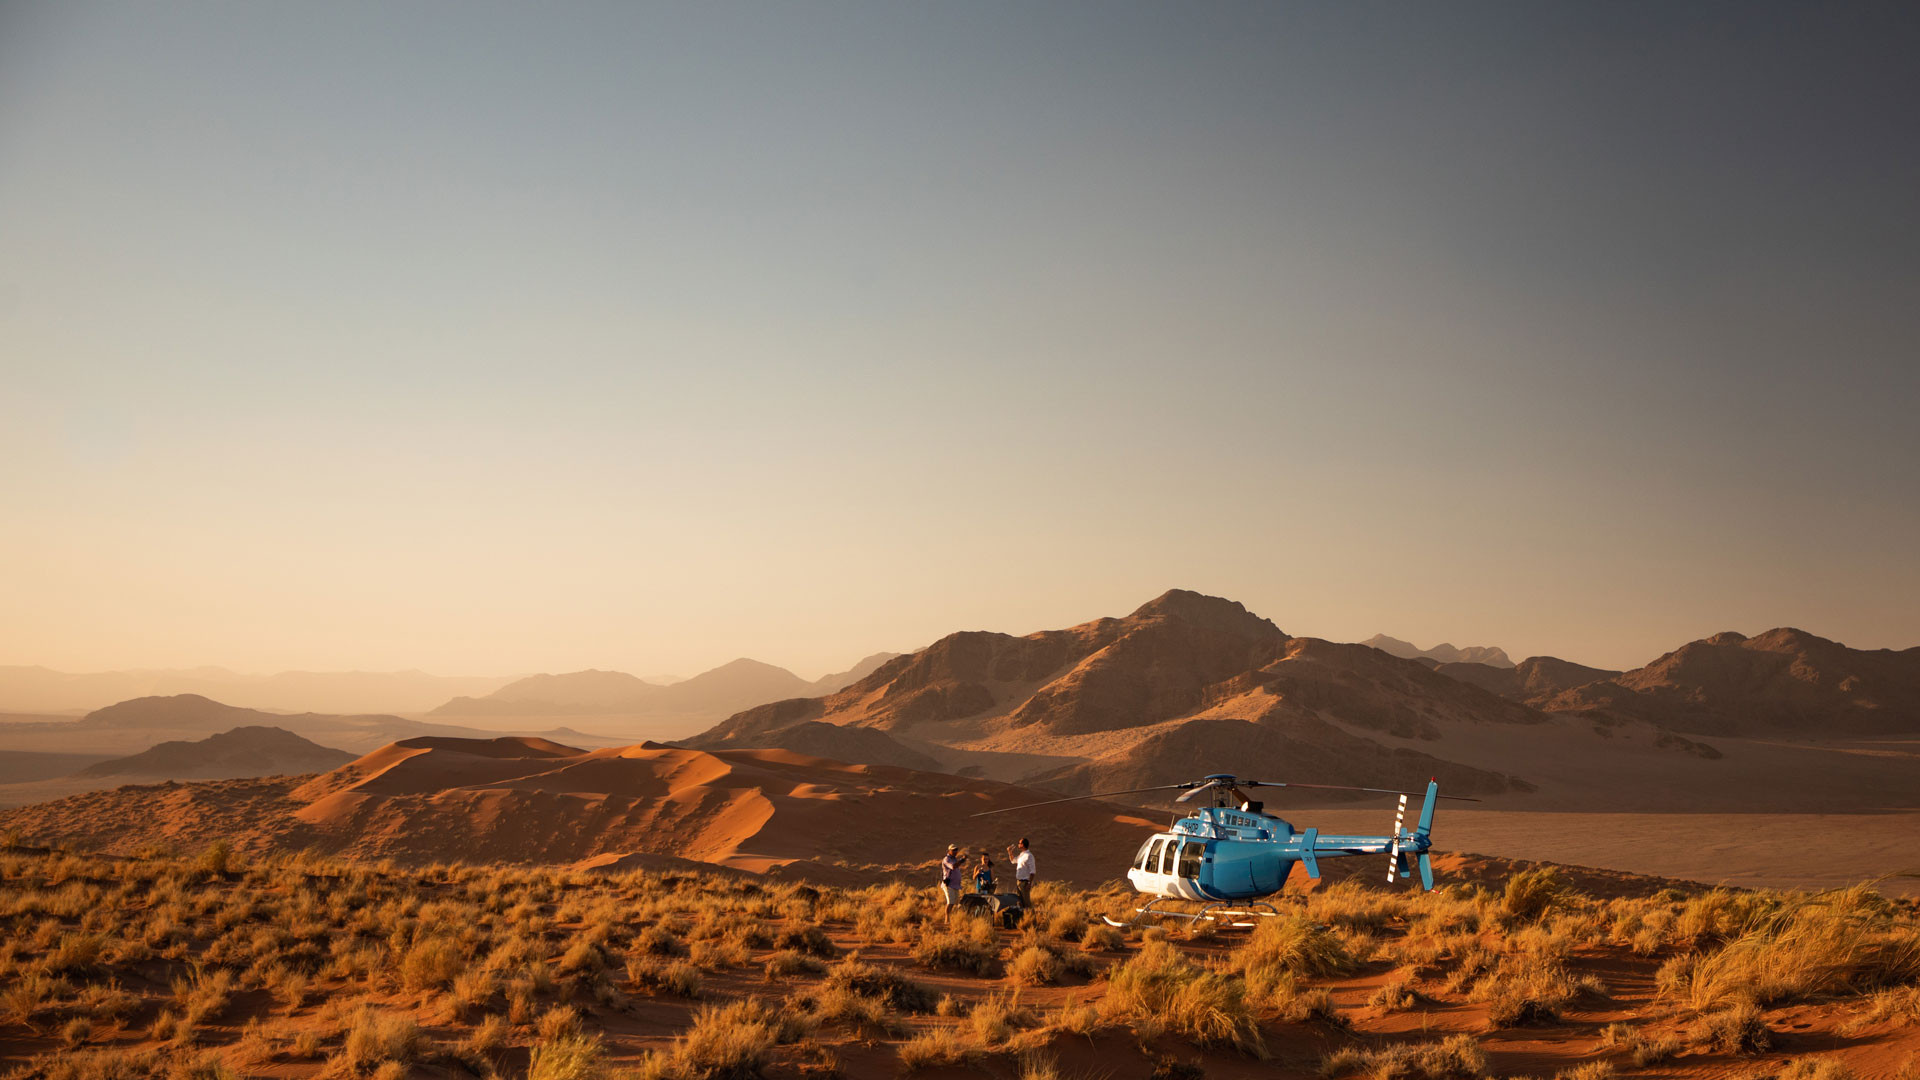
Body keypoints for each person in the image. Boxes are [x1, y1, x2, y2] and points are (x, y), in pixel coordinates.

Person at [1005, 837, 1036, 911]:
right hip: (1018, 882)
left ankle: (1030, 917)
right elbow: (1013, 860)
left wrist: (1029, 883)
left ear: (1023, 845)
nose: (1018, 844)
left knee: (1026, 902)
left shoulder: (1029, 856)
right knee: (1020, 902)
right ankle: (1023, 918)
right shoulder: (1021, 855)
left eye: (1019, 843)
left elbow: (1033, 871)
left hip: (1024, 882)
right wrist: (1010, 852)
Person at [937, 843, 965, 924]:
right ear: (949, 851)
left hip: (956, 885)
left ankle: (953, 919)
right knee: (950, 902)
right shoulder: (946, 859)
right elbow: (953, 866)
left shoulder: (954, 859)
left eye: (956, 850)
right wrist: (962, 860)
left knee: (956, 903)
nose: (955, 851)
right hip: (948, 884)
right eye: (953, 850)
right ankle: (947, 920)